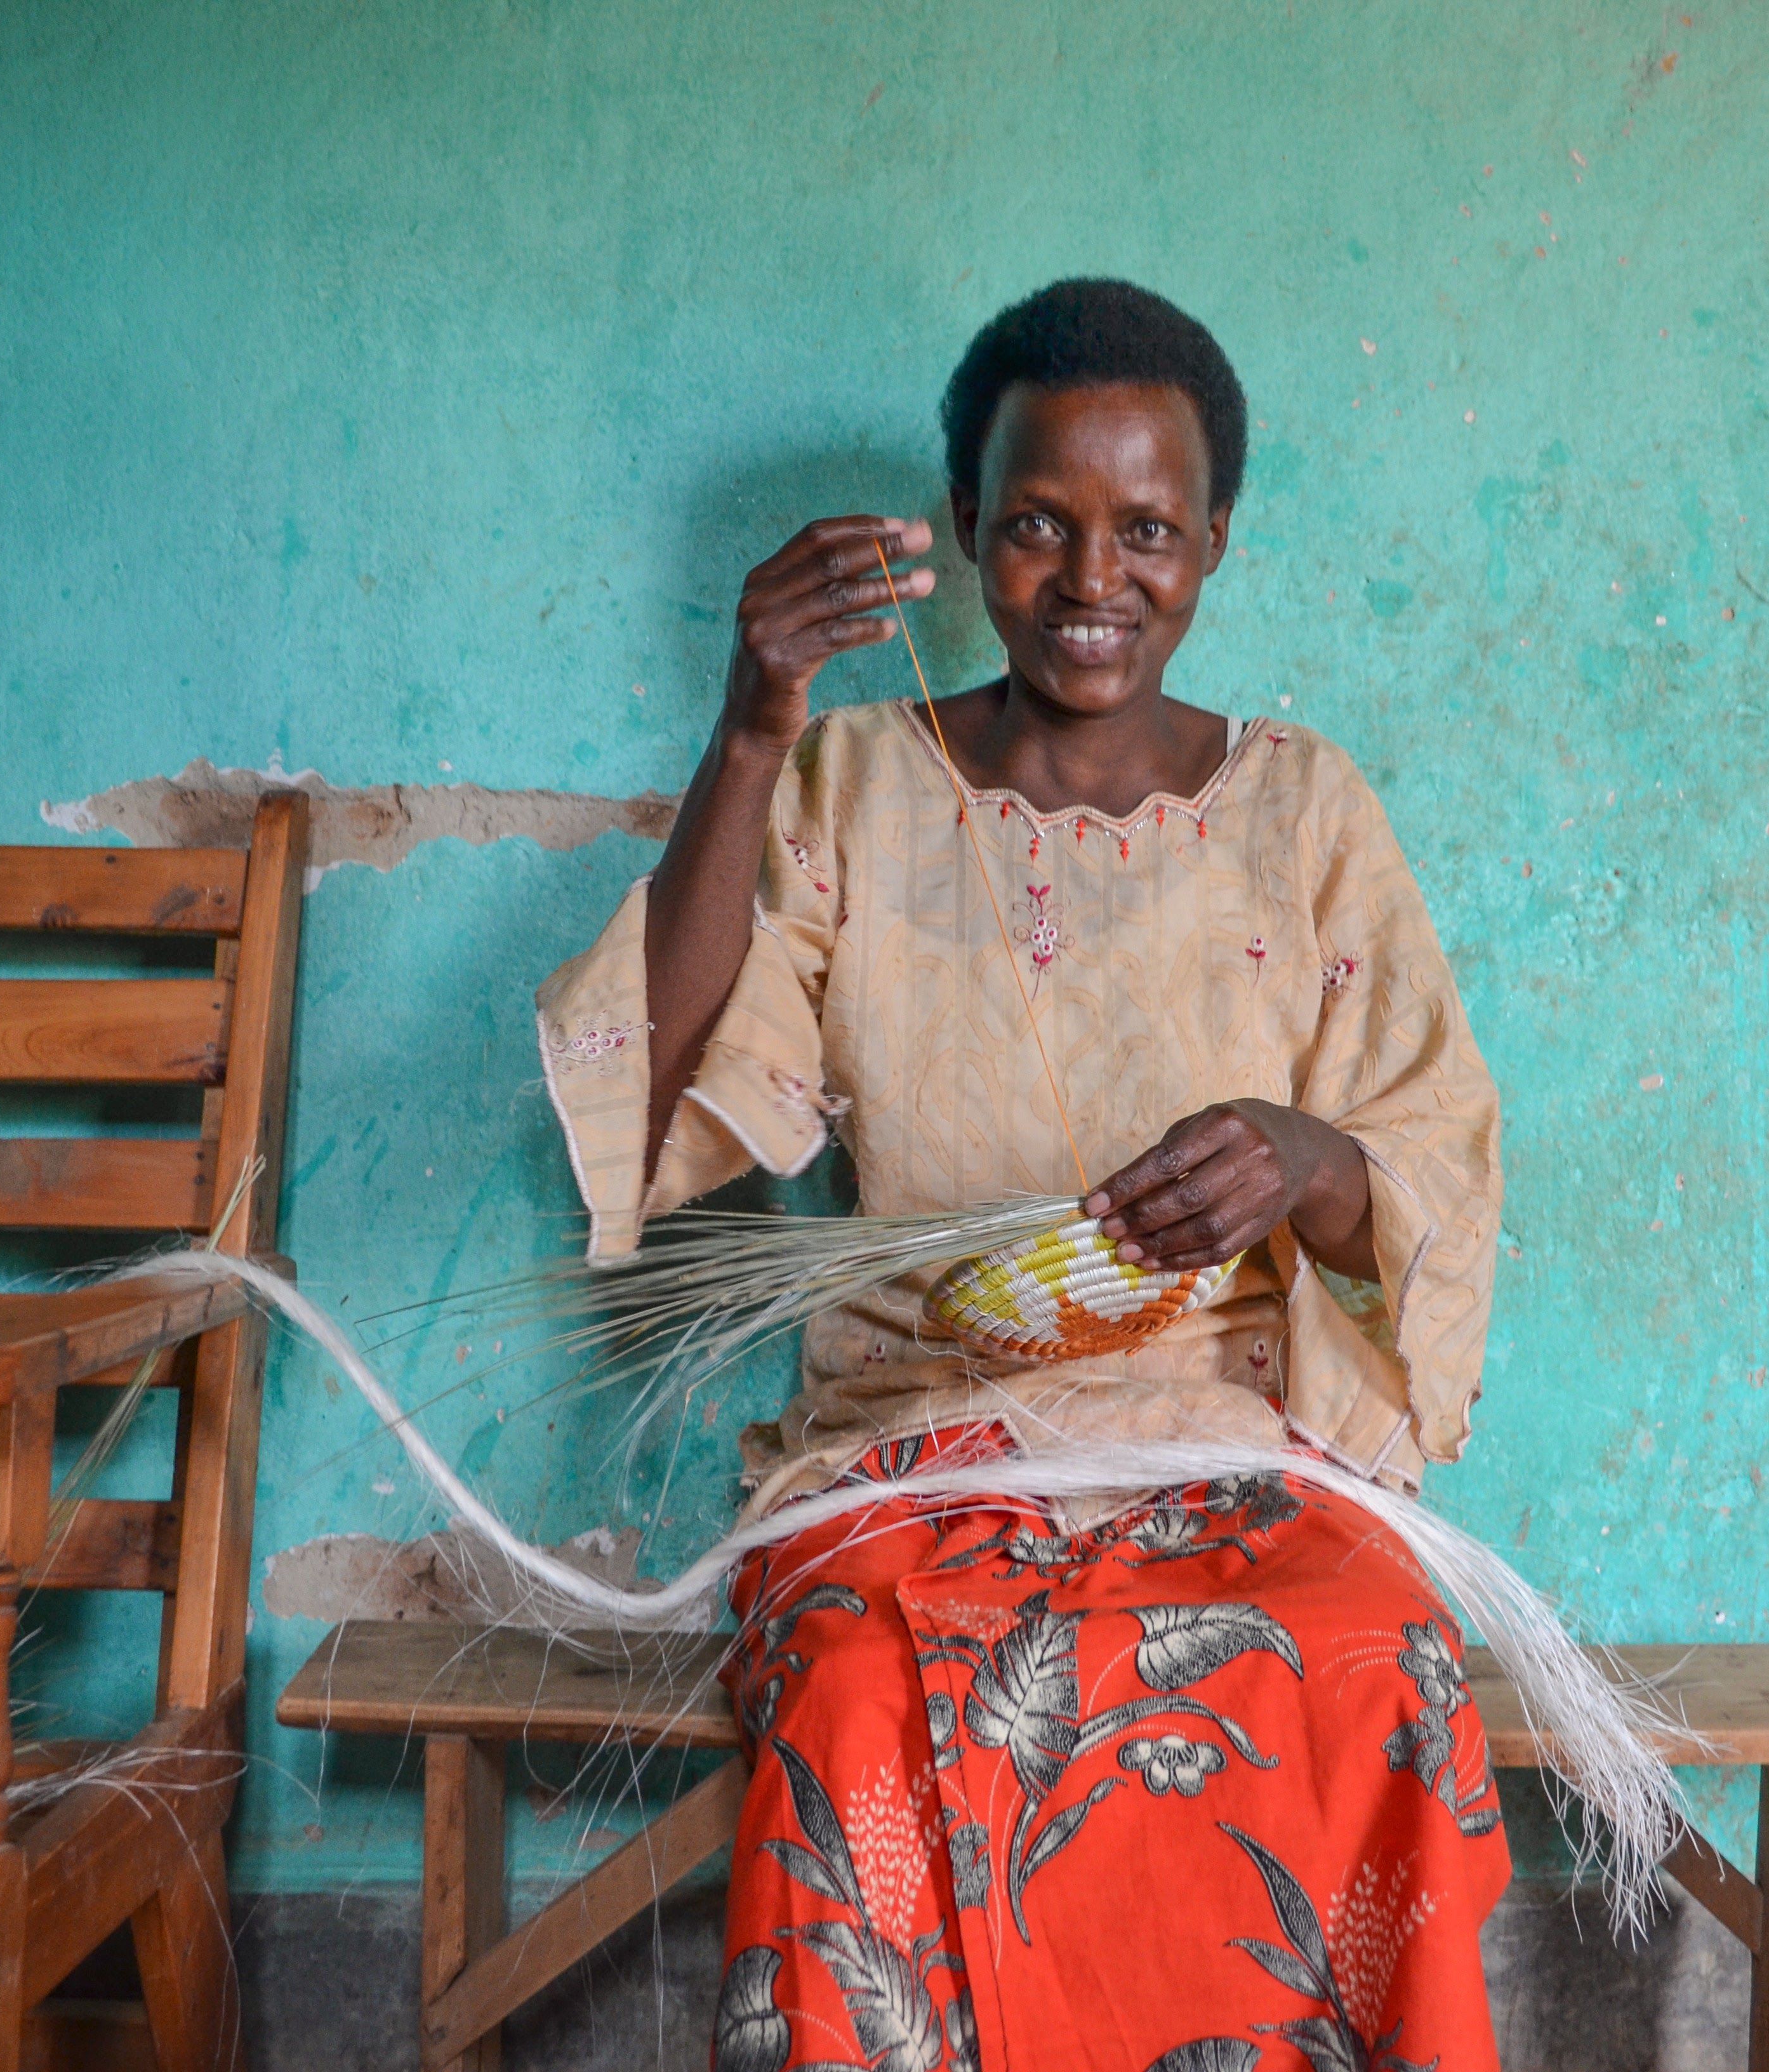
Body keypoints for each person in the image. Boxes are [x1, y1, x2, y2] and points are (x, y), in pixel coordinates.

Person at [538, 279, 1509, 2072]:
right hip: (909, 1451)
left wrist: (1306, 1164)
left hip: (1213, 1447)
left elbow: (1430, 1163)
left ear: (1217, 541)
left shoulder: (1309, 814)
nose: (1093, 578)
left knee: (1372, 1659)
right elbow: (658, 1086)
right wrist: (751, 729)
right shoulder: (846, 780)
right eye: (1040, 525)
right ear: (969, 524)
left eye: (1150, 530)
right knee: (850, 1686)